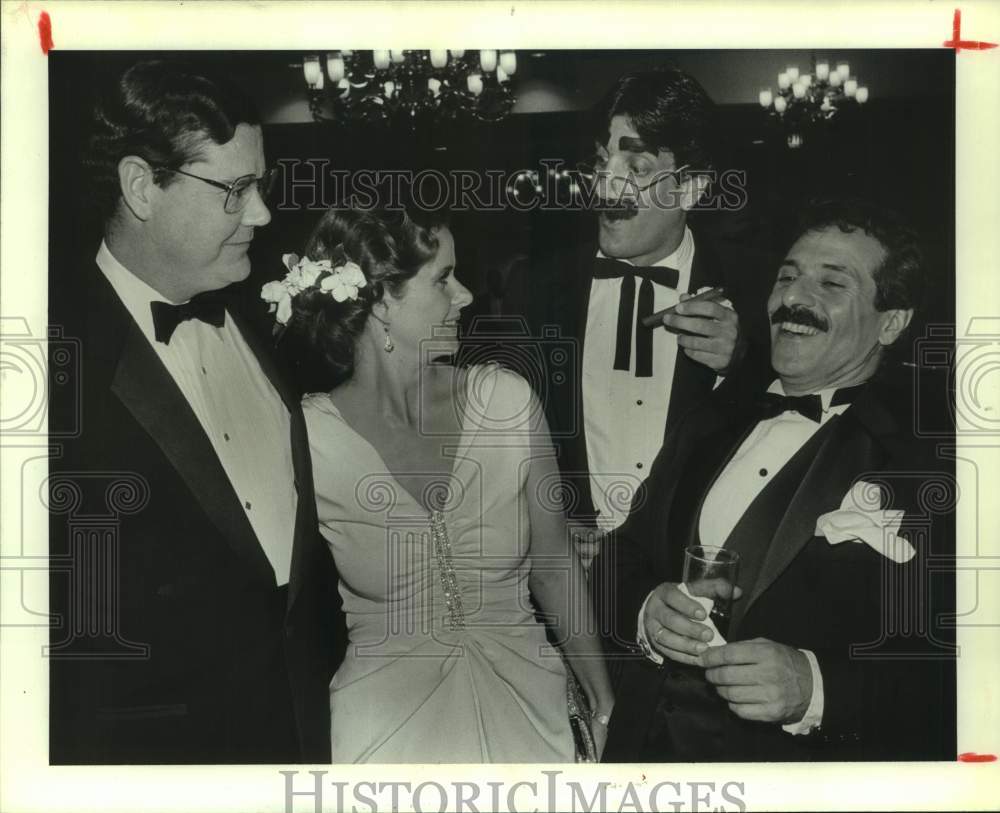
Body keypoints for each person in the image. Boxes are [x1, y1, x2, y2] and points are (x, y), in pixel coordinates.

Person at [48, 59, 345, 763]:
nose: (264, 214)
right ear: (141, 186)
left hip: (310, 738)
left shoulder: (254, 316)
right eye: (234, 190)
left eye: (260, 186)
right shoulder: (52, 363)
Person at [594, 199, 956, 761]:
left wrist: (817, 687)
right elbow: (619, 557)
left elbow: (963, 665)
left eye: (832, 284)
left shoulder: (934, 462)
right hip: (644, 760)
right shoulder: (708, 419)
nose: (793, 298)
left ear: (892, 322)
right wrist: (645, 609)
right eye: (787, 276)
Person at [267, 206, 615, 763]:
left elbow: (554, 563)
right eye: (444, 278)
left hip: (533, 716)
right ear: (381, 298)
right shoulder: (305, 438)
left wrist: (601, 698)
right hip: (384, 735)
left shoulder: (505, 401)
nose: (468, 295)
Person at [480, 67, 774, 545]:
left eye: (635, 170)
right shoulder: (534, 289)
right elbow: (502, 441)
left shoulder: (756, 288)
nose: (606, 189)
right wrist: (544, 530)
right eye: (601, 165)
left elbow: (803, 422)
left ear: (691, 188)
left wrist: (743, 361)